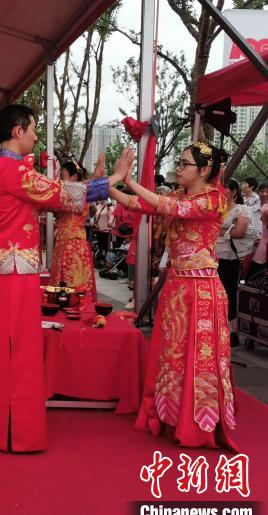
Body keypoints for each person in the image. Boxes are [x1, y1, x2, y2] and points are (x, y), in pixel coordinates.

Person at [0, 104, 133, 452]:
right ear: (17, 131)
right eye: (32, 129)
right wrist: (115, 178)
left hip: (9, 271)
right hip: (13, 274)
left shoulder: (5, 169)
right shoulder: (14, 171)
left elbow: (57, 192)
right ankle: (12, 427)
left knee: (4, 347)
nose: (34, 136)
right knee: (17, 349)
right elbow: (64, 194)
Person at [111, 141, 238, 450]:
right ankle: (170, 415)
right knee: (172, 355)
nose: (178, 169)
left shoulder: (213, 199)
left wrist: (129, 180)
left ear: (204, 170)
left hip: (201, 292)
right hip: (177, 289)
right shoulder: (181, 195)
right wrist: (111, 185)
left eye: (184, 164)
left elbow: (169, 208)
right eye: (178, 163)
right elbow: (140, 205)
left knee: (198, 358)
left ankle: (197, 425)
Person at [49, 158, 102, 301]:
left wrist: (96, 177)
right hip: (63, 240)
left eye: (63, 175)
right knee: (62, 279)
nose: (60, 179)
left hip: (74, 242)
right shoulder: (68, 192)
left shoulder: (80, 192)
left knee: (73, 281)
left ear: (73, 177)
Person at [218, 179, 255, 347]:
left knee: (229, 293)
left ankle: (231, 331)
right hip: (211, 257)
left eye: (224, 188)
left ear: (233, 192)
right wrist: (227, 231)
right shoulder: (214, 209)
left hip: (230, 258)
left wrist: (219, 231)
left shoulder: (242, 209)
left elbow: (240, 232)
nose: (220, 191)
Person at [249, 182, 268, 278]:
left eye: (267, 192)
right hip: (250, 250)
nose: (264, 194)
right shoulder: (250, 210)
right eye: (262, 191)